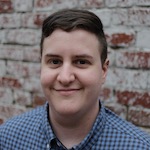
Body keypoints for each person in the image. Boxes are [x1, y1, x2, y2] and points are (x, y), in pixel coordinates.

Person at [0, 9, 150, 150]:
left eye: (81, 62)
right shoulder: (7, 138)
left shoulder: (139, 146)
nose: (65, 78)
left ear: (103, 70)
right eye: (54, 61)